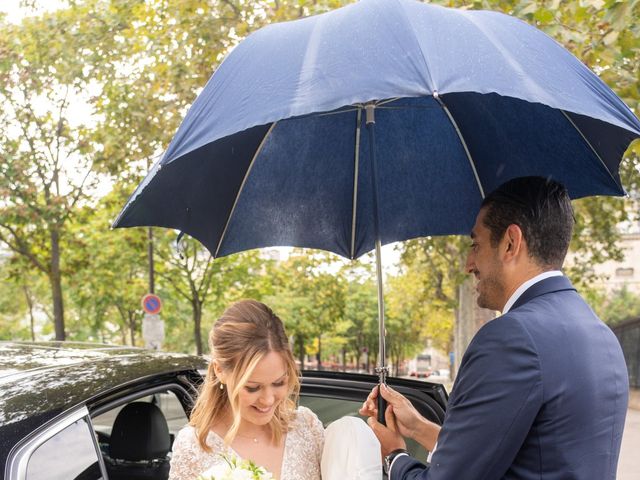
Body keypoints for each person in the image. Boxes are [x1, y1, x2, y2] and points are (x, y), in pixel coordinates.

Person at [360, 176, 629, 479]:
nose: (469, 264)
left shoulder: (511, 338)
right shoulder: (601, 335)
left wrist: (394, 455)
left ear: (511, 243)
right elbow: (524, 456)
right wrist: (419, 428)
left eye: (475, 244)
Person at [168, 299, 324, 480]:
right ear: (220, 371)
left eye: (279, 383)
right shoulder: (194, 447)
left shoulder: (306, 427)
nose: (267, 400)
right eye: (252, 388)